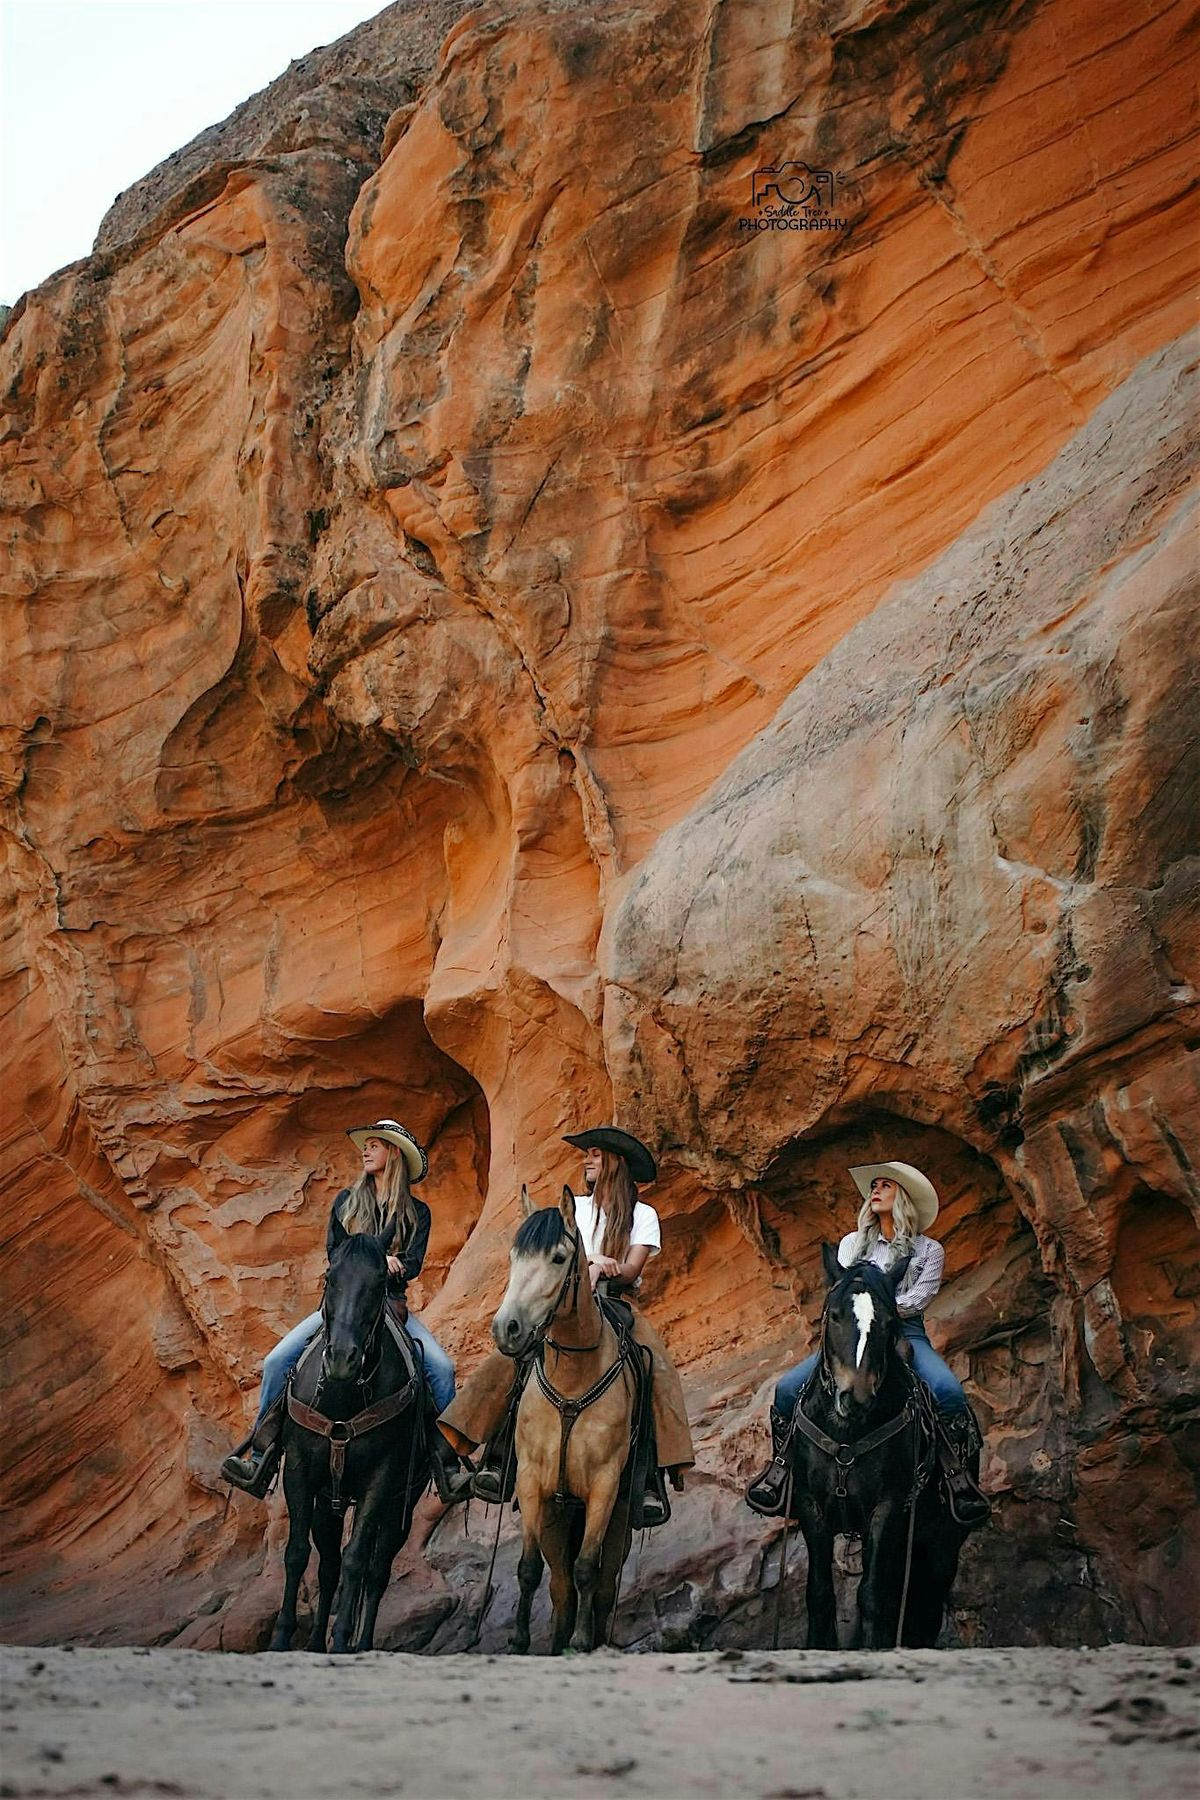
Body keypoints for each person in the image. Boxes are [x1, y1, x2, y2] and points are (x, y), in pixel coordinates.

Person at [431, 1127, 695, 1527]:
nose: (586, 1160)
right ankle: (495, 1456)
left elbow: (634, 1268)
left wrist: (606, 1264)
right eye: (586, 1155)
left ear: (615, 1163)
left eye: (595, 1154)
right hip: (562, 1306)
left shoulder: (643, 1215)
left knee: (653, 1363)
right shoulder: (573, 1209)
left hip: (614, 1301)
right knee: (511, 1358)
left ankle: (650, 1477)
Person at [219, 1119, 456, 1497]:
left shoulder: (417, 1212)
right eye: (367, 1146)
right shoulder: (347, 1201)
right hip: (342, 1306)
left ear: (393, 1153)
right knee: (276, 1362)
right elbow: (334, 1252)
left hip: (389, 1307)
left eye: (375, 1145)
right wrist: (365, 1260)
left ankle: (448, 1465)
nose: (366, 1151)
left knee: (442, 1370)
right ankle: (259, 1456)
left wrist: (393, 1262)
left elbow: (413, 1264)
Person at [747, 1160, 989, 1526]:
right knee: (785, 1390)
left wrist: (879, 1308)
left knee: (948, 1391)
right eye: (874, 1185)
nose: (875, 1191)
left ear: (902, 1197)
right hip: (851, 1339)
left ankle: (955, 1478)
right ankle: (782, 1470)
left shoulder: (929, 1251)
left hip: (905, 1333)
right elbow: (840, 1295)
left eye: (885, 1186)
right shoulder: (850, 1244)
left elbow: (919, 1300)